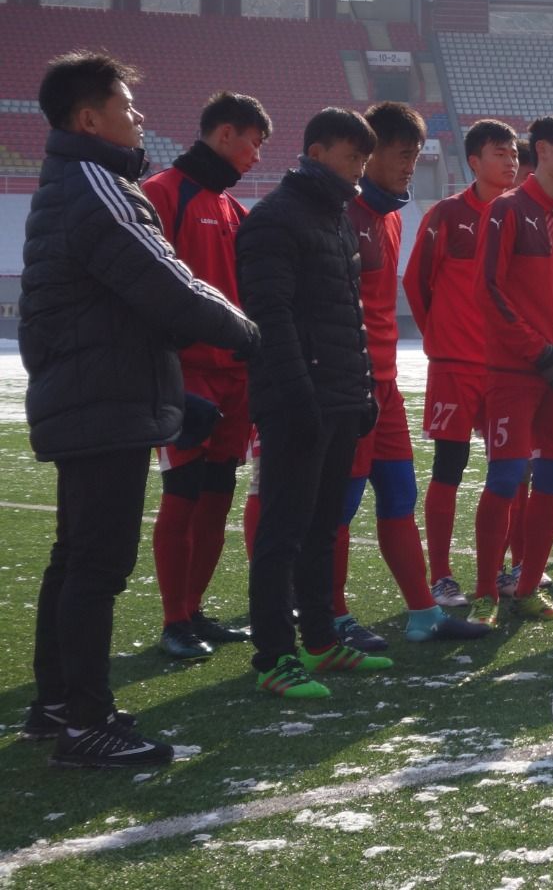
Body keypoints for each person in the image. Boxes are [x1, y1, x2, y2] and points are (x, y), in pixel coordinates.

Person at [23, 52, 259, 765]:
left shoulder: (76, 177)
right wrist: (245, 331)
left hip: (93, 387)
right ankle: (85, 723)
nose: (139, 118)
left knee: (75, 558)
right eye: (127, 108)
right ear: (88, 117)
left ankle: (60, 704)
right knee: (96, 564)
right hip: (104, 395)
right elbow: (164, 279)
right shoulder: (95, 181)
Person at [238, 107, 389, 700]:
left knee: (324, 525)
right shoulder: (274, 218)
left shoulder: (335, 219)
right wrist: (298, 397)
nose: (359, 170)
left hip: (338, 397)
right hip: (298, 401)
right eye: (352, 157)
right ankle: (274, 657)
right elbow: (267, 317)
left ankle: (321, 642)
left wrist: (362, 389)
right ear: (318, 151)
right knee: (283, 531)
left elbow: (350, 318)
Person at [334, 102, 490, 646]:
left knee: (399, 494)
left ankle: (423, 613)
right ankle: (333, 616)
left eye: (416, 156)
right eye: (403, 156)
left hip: (385, 386)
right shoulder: (339, 215)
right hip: (346, 388)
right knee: (341, 506)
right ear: (368, 153)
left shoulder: (392, 216)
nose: (410, 167)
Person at [142, 91, 272, 661]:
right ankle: (173, 621)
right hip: (186, 375)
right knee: (183, 494)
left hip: (235, 377)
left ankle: (193, 610)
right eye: (253, 142)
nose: (257, 157)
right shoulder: (161, 193)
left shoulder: (233, 209)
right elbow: (143, 286)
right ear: (224, 134)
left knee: (218, 494)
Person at [471, 115, 553, 624]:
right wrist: (542, 353)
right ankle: (485, 594)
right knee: (505, 477)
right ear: (542, 150)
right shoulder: (505, 210)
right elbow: (489, 292)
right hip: (515, 373)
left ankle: (526, 589)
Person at [403, 119, 521, 607]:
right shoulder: (448, 215)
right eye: (500, 153)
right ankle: (443, 575)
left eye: (514, 153)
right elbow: (417, 283)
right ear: (474, 162)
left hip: (506, 367)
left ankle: (504, 571)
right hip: (455, 362)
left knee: (509, 470)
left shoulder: (523, 215)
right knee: (449, 466)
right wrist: (442, 337)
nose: (511, 161)